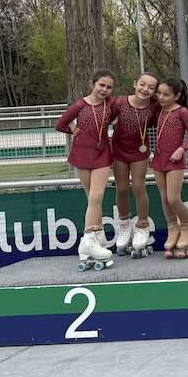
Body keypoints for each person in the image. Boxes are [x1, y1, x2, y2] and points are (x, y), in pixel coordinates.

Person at [55, 69, 117, 271]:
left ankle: (88, 238)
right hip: (82, 154)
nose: (104, 90)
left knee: (96, 197)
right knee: (91, 198)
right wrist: (72, 129)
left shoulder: (111, 105)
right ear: (92, 84)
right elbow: (60, 124)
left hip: (102, 154)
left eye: (109, 87)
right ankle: (96, 238)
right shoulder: (80, 105)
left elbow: (129, 107)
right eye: (101, 85)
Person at [110, 72, 159, 258]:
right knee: (122, 188)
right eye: (142, 84)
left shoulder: (153, 106)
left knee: (139, 186)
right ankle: (124, 225)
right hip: (118, 151)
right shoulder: (119, 102)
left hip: (139, 152)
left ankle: (142, 225)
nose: (145, 89)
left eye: (151, 87)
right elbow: (104, 120)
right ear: (134, 84)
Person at [151, 78, 188, 258]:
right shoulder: (159, 110)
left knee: (173, 198)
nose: (161, 97)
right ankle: (173, 227)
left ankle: (187, 227)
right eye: (159, 93)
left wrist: (181, 149)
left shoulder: (182, 112)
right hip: (158, 159)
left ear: (177, 96)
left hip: (175, 160)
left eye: (166, 94)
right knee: (164, 198)